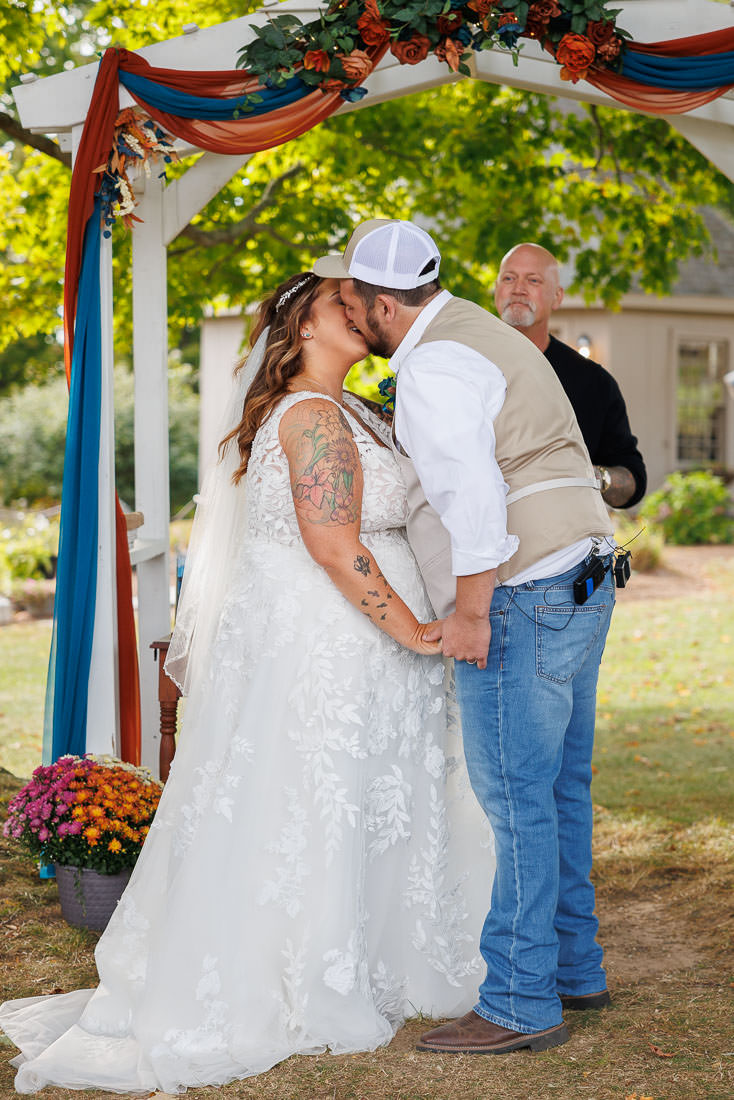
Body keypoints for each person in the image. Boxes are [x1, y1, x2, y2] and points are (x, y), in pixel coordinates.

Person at [0, 273, 492, 1094]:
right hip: (339, 645)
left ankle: (364, 955)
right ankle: (304, 976)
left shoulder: (356, 409)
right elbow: (335, 545)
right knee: (323, 799)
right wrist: (414, 628)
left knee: (339, 799)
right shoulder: (311, 417)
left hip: (342, 647)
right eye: (340, 300)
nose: (360, 305)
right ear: (299, 328)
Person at [320, 220, 617, 1056]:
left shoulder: (432, 367)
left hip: (526, 593)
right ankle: (574, 966)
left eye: (356, 304)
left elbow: (476, 505)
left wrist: (471, 613)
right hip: (585, 572)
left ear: (384, 305)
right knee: (558, 788)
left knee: (518, 803)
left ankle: (522, 1003)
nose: (355, 318)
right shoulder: (479, 333)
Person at [495, 242, 646, 509]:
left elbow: (633, 478)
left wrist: (589, 477)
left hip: (558, 542)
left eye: (533, 280)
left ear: (558, 296)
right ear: (496, 288)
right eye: (509, 278)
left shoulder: (594, 383)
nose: (518, 288)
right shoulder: (463, 364)